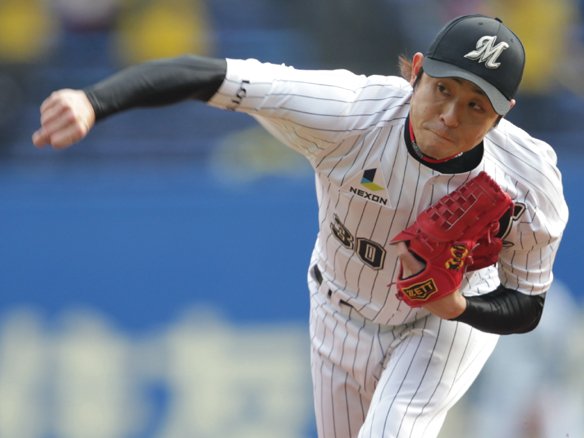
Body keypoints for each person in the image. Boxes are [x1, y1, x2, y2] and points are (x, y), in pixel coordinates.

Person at [32, 14, 569, 438]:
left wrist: (458, 307)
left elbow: (527, 306)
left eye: (476, 106)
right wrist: (93, 101)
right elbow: (208, 75)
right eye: (443, 89)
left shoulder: (528, 179)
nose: (451, 115)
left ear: (502, 114)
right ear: (416, 72)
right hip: (340, 310)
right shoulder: (347, 113)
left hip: (441, 325)